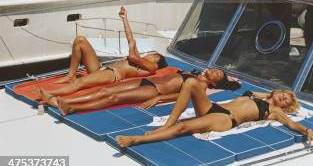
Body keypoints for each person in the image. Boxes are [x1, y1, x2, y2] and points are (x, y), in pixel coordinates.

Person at [116, 78, 313, 151]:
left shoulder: (275, 112)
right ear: (275, 92)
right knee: (190, 83)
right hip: (213, 108)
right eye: (283, 94)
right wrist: (268, 94)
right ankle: (167, 122)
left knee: (183, 128)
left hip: (226, 119)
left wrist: (309, 132)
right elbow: (250, 92)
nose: (283, 98)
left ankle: (137, 140)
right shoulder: (255, 95)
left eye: (287, 100)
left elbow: (292, 125)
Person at [33, 6, 167, 101]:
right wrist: (124, 18)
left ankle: (49, 93)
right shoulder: (140, 59)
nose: (149, 53)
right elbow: (130, 37)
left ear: (156, 58)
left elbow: (132, 56)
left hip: (111, 75)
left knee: (82, 82)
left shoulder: (152, 67)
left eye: (153, 54)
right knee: (80, 40)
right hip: (100, 69)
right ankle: (71, 75)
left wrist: (132, 47)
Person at [38, 67, 240, 116]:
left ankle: (70, 107)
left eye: (217, 73)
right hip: (147, 81)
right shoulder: (194, 74)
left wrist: (159, 98)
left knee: (113, 97)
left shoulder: (202, 87)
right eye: (216, 70)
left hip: (152, 90)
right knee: (105, 89)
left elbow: (182, 96)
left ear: (214, 83)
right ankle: (60, 99)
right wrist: (229, 80)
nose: (214, 70)